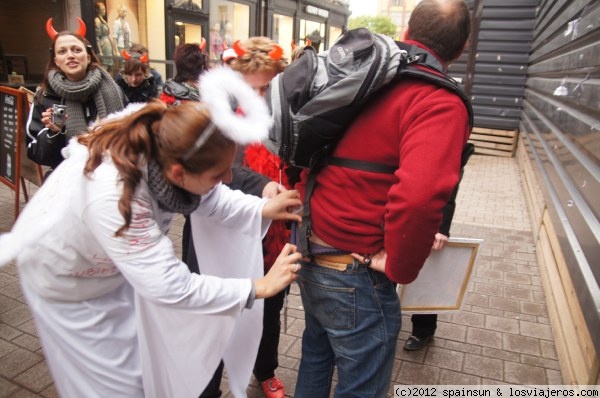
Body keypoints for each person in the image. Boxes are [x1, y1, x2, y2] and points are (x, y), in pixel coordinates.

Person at [0, 67, 304, 397]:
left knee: (146, 362)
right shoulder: (116, 196)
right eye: (219, 172)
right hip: (69, 281)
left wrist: (261, 208)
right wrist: (257, 287)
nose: (229, 177)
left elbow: (210, 196)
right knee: (117, 383)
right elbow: (171, 286)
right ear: (178, 172)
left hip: (116, 268)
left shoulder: (169, 145)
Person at [292, 0, 472, 396]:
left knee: (316, 358)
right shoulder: (436, 99)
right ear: (459, 50)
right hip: (356, 268)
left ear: (408, 32)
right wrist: (399, 266)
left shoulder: (365, 74)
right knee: (362, 386)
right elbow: (420, 198)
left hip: (310, 245)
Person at [201, 36, 290, 398]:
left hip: (272, 234)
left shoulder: (285, 117)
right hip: (226, 231)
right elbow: (220, 173)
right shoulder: (216, 116)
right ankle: (209, 384)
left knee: (269, 309)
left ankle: (264, 370)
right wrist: (266, 185)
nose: (258, 95)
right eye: (250, 87)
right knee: (220, 313)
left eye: (266, 87)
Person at [26, 18, 125, 171]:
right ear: (56, 61)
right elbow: (36, 153)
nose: (70, 55)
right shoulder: (45, 96)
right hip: (67, 179)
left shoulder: (113, 90)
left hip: (110, 175)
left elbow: (131, 135)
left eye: (77, 50)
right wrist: (53, 133)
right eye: (62, 51)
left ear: (88, 57)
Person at [94, 1, 117, 73]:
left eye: (104, 9)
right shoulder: (97, 21)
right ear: (98, 10)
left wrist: (113, 47)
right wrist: (100, 51)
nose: (104, 11)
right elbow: (97, 37)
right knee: (105, 65)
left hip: (108, 43)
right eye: (102, 9)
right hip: (103, 44)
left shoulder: (103, 20)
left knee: (110, 66)